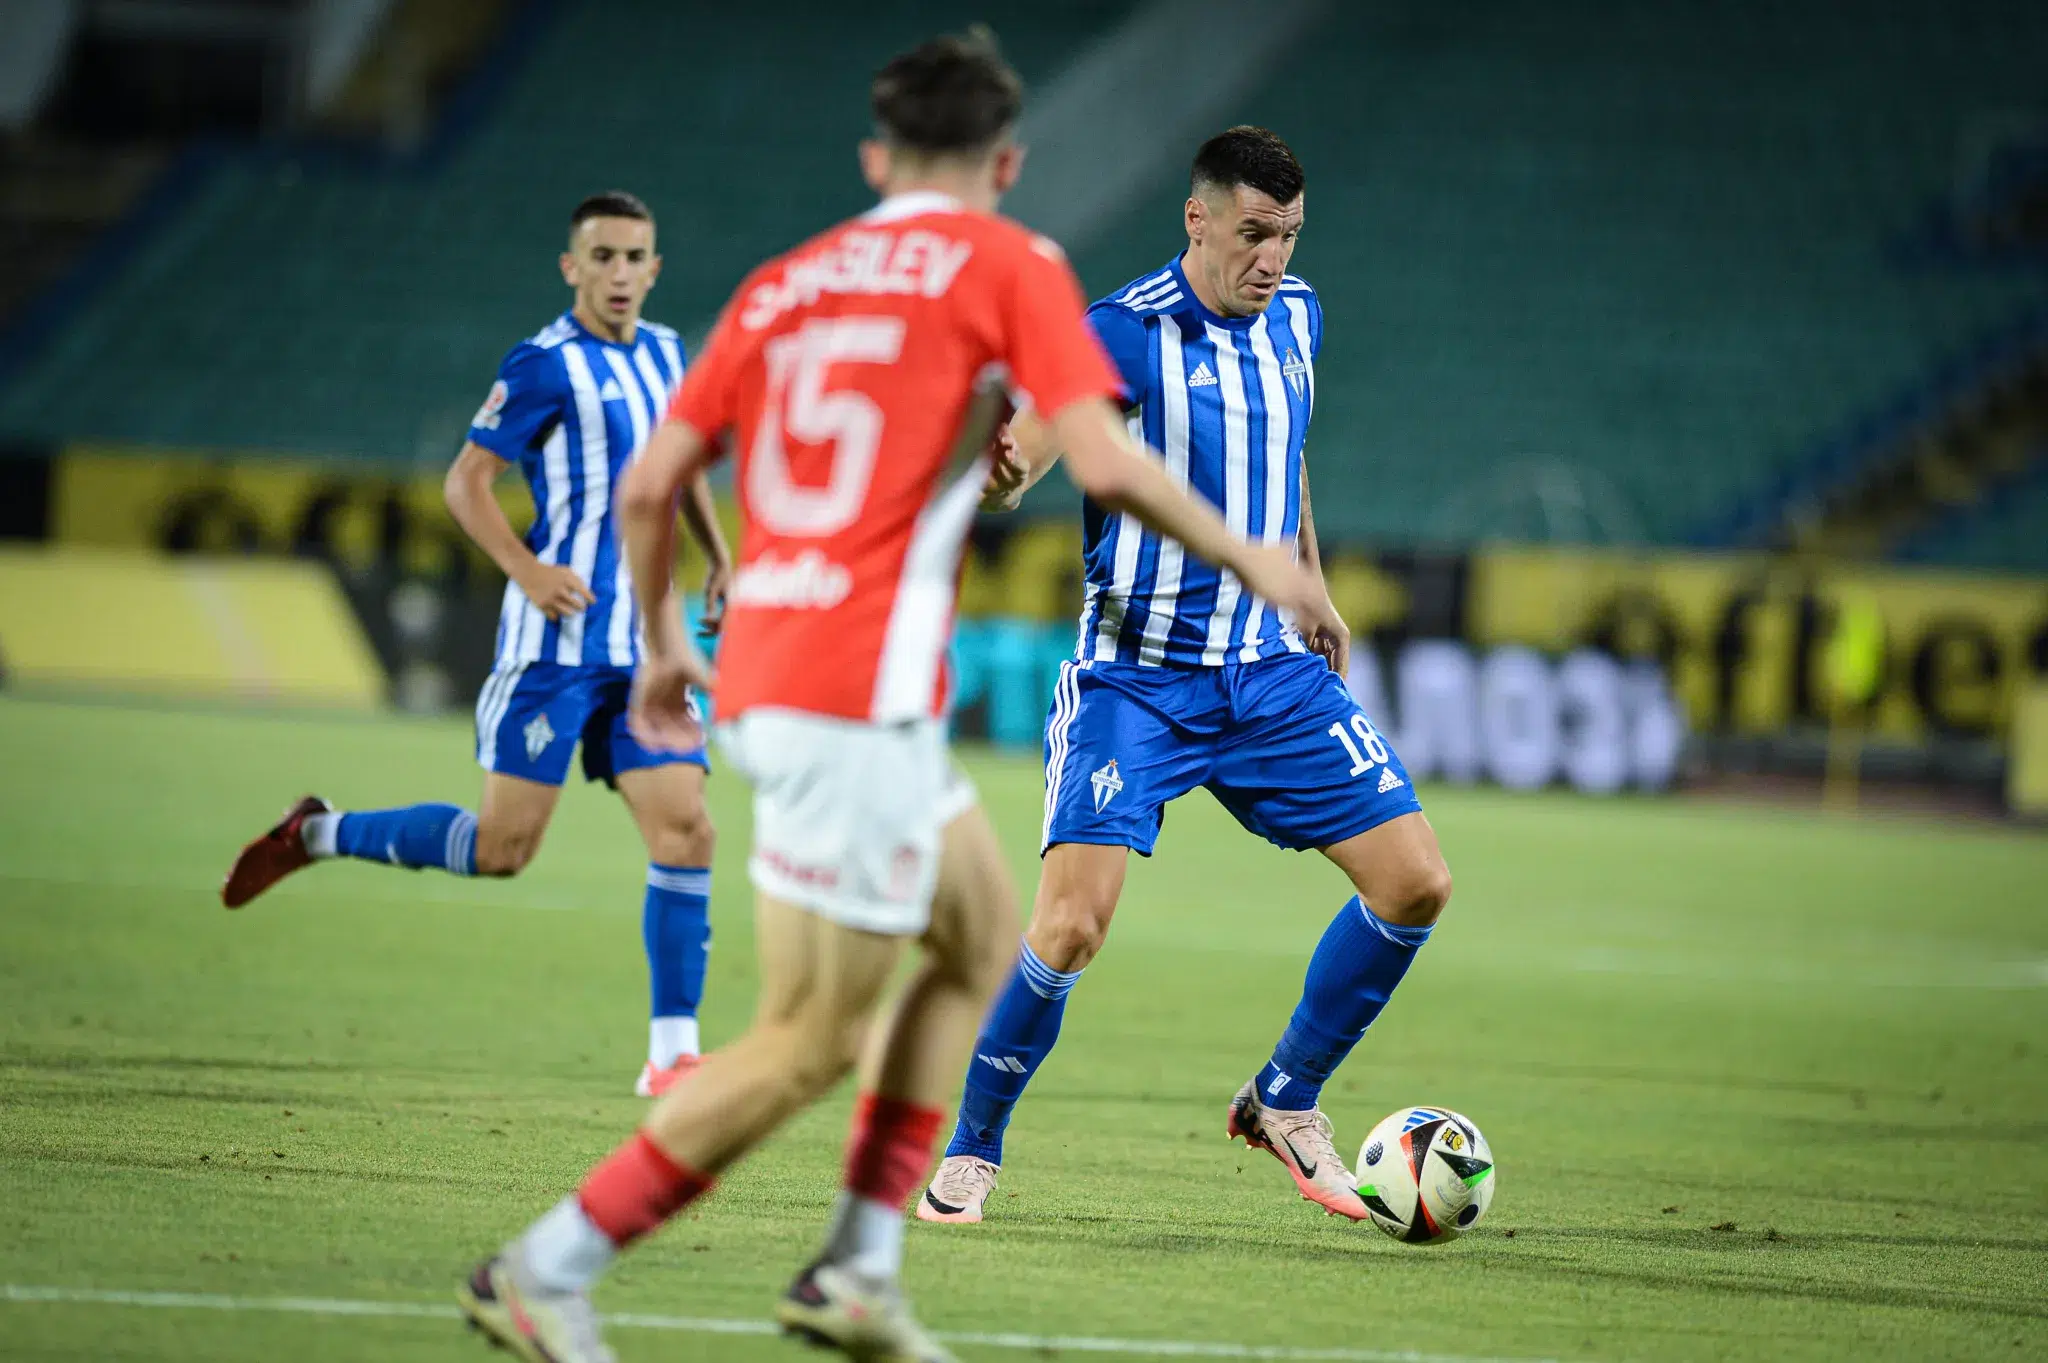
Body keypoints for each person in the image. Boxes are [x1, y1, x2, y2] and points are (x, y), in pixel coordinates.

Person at [454, 34, 1332, 1363]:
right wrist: (1255, 551)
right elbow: (1096, 448)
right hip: (847, 693)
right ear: (1007, 161)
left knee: (984, 931)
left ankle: (858, 1264)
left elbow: (646, 490)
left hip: (794, 672)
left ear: (874, 157)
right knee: (809, 1036)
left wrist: (659, 644)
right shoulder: (1008, 265)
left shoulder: (782, 285)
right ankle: (546, 1262)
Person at [919, 127, 1454, 1228]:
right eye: (1254, 234)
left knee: (1414, 882)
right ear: (1196, 219)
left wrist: (1310, 578)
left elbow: (1285, 443)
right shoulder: (1118, 331)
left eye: (1290, 237)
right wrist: (997, 464)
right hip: (1137, 684)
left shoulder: (1298, 313)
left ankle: (1283, 1098)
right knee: (1069, 926)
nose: (1272, 259)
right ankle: (971, 1148)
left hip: (1267, 673)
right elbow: (1023, 458)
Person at [220, 191, 732, 1099]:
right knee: (502, 849)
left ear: (656, 269)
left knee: (688, 827)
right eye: (602, 257)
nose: (619, 274)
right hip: (554, 642)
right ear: (571, 266)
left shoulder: (664, 352)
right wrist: (527, 570)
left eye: (635, 258)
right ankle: (320, 831)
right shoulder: (542, 364)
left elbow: (677, 466)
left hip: (644, 646)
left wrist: (721, 557)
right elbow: (467, 483)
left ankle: (672, 1052)